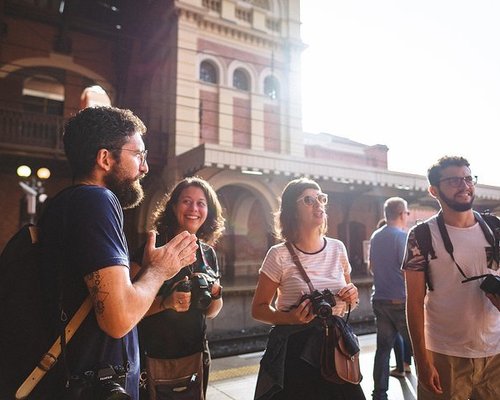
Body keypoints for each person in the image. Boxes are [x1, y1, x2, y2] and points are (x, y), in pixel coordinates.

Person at [36, 106, 198, 399]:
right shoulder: (96, 201)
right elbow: (117, 318)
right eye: (139, 155)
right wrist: (160, 270)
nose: (145, 167)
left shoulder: (64, 204)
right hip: (94, 386)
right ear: (105, 158)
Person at [252, 177, 365, 400]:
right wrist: (291, 318)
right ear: (292, 210)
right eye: (308, 200)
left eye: (321, 198)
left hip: (336, 347)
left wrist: (353, 296)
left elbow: (350, 296)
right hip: (296, 351)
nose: (319, 204)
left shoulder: (338, 248)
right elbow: (258, 309)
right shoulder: (278, 255)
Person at [403, 156, 500, 399]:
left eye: (468, 178)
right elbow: (414, 303)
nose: (464, 185)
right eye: (454, 180)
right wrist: (422, 361)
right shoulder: (421, 236)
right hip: (445, 353)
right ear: (434, 190)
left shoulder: (495, 228)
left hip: (496, 352)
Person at [132, 176, 225, 399]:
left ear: (208, 211)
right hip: (154, 356)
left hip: (195, 355)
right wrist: (166, 303)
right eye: (186, 201)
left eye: (201, 203)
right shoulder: (152, 249)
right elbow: (128, 309)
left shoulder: (207, 253)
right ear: (173, 207)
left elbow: (212, 312)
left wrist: (214, 293)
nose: (194, 209)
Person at [368, 197, 413, 400]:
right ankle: (430, 391)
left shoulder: (376, 236)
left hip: (380, 299)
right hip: (400, 301)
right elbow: (409, 272)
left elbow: (372, 267)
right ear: (402, 214)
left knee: (383, 350)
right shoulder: (402, 237)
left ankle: (379, 394)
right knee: (419, 348)